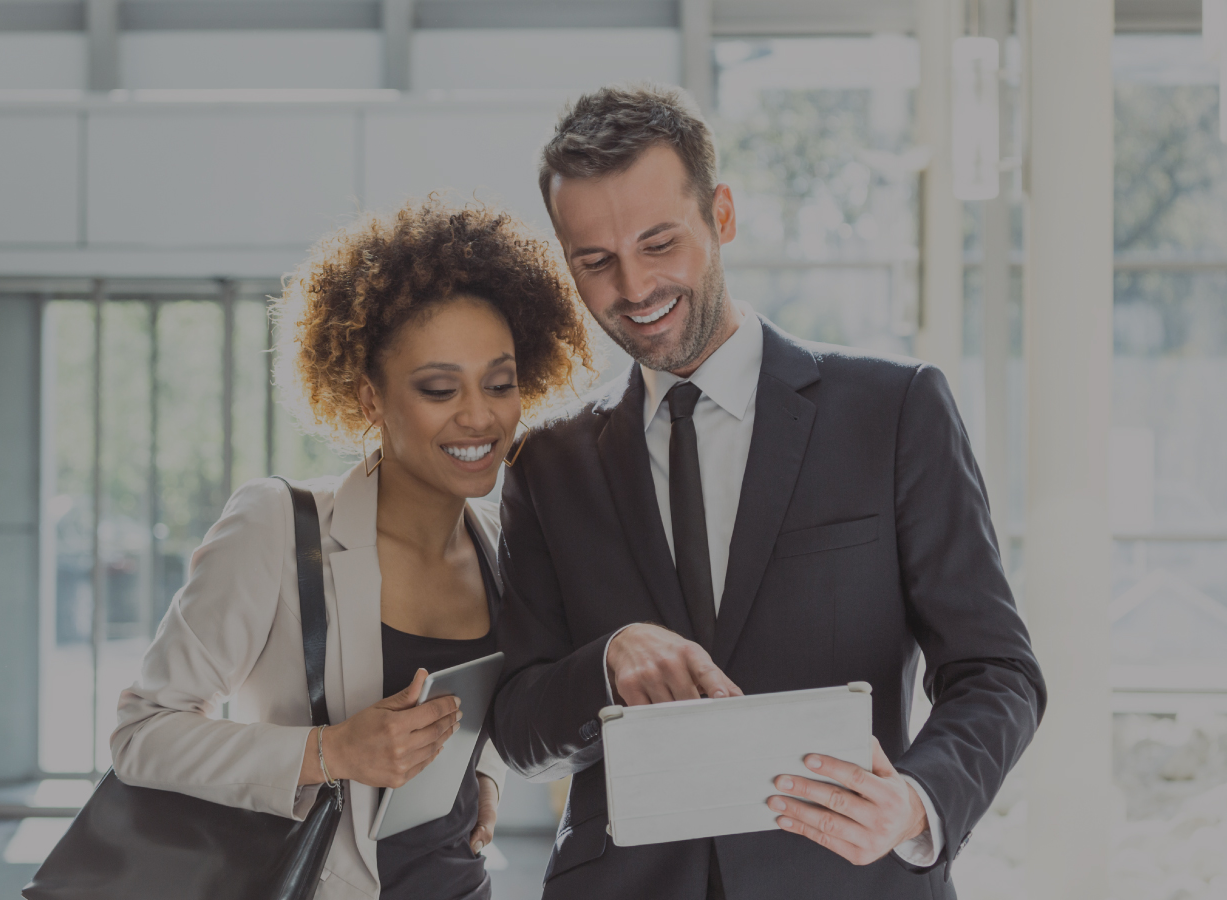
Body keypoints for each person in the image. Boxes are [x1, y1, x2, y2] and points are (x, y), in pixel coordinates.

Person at [490, 83, 1047, 900]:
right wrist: (603, 666)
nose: (635, 287)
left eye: (659, 242)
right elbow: (519, 728)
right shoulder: (548, 462)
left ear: (722, 215)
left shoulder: (892, 409)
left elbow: (997, 670)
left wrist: (916, 803)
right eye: (595, 261)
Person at [110, 198, 594, 900]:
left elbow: (470, 705)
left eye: (500, 383)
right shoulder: (278, 527)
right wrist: (331, 750)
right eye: (437, 388)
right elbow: (141, 735)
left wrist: (474, 774)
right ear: (370, 398)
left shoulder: (497, 546)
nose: (479, 415)